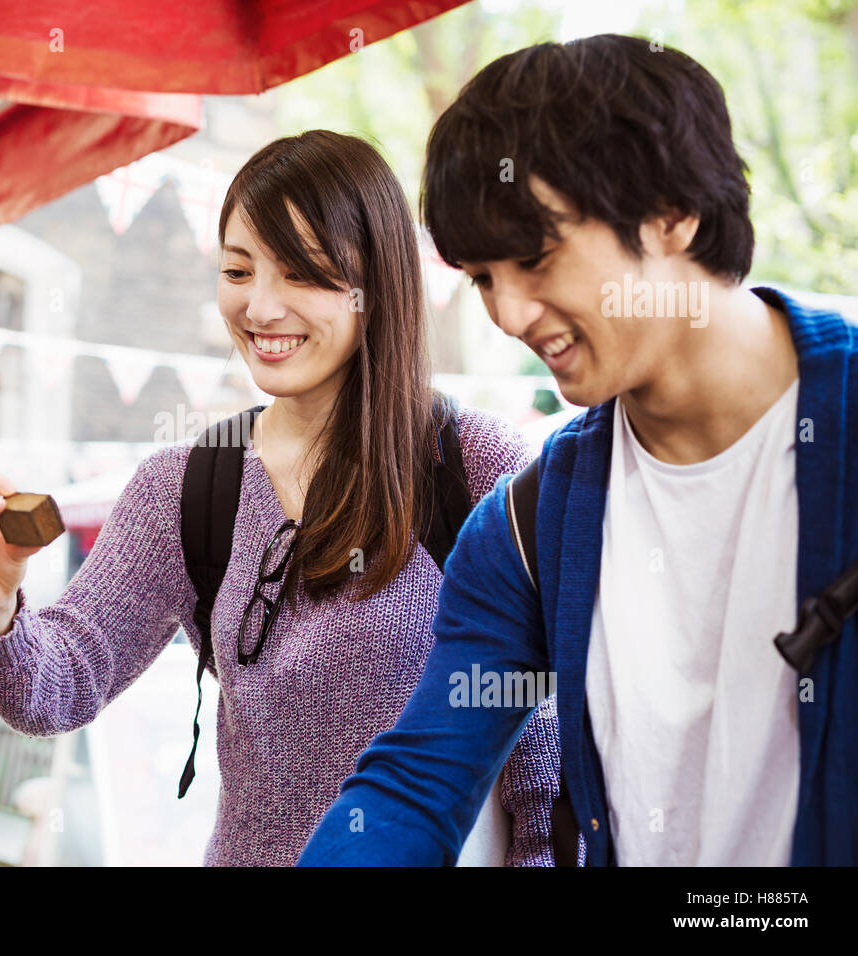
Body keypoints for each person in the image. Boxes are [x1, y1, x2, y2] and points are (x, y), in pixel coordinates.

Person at [0, 130, 566, 866]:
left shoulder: (475, 467)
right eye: (237, 269)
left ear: (375, 286)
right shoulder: (187, 486)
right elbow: (59, 689)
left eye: (303, 274)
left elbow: (541, 756)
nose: (259, 306)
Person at [298, 34, 858, 867]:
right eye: (483, 277)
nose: (511, 313)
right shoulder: (528, 530)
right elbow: (419, 781)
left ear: (673, 214)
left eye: (534, 257)